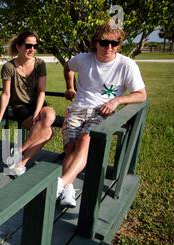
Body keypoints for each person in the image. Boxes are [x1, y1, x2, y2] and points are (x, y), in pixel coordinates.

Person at [58, 21, 146, 207]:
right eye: (104, 42)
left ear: (119, 45)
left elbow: (141, 94)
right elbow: (68, 67)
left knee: (85, 140)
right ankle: (68, 189)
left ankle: (60, 184)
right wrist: (69, 87)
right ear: (95, 42)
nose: (109, 47)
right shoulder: (83, 59)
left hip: (101, 111)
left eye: (114, 43)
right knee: (71, 147)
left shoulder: (127, 65)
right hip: (77, 109)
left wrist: (116, 100)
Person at [0, 31, 55, 176]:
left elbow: (42, 91)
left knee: (49, 116)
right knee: (47, 132)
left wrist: (36, 112)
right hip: (20, 107)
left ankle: (18, 151)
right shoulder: (9, 67)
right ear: (18, 46)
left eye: (35, 46)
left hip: (39, 104)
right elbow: (6, 94)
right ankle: (20, 164)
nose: (32, 49)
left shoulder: (40, 64)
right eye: (28, 45)